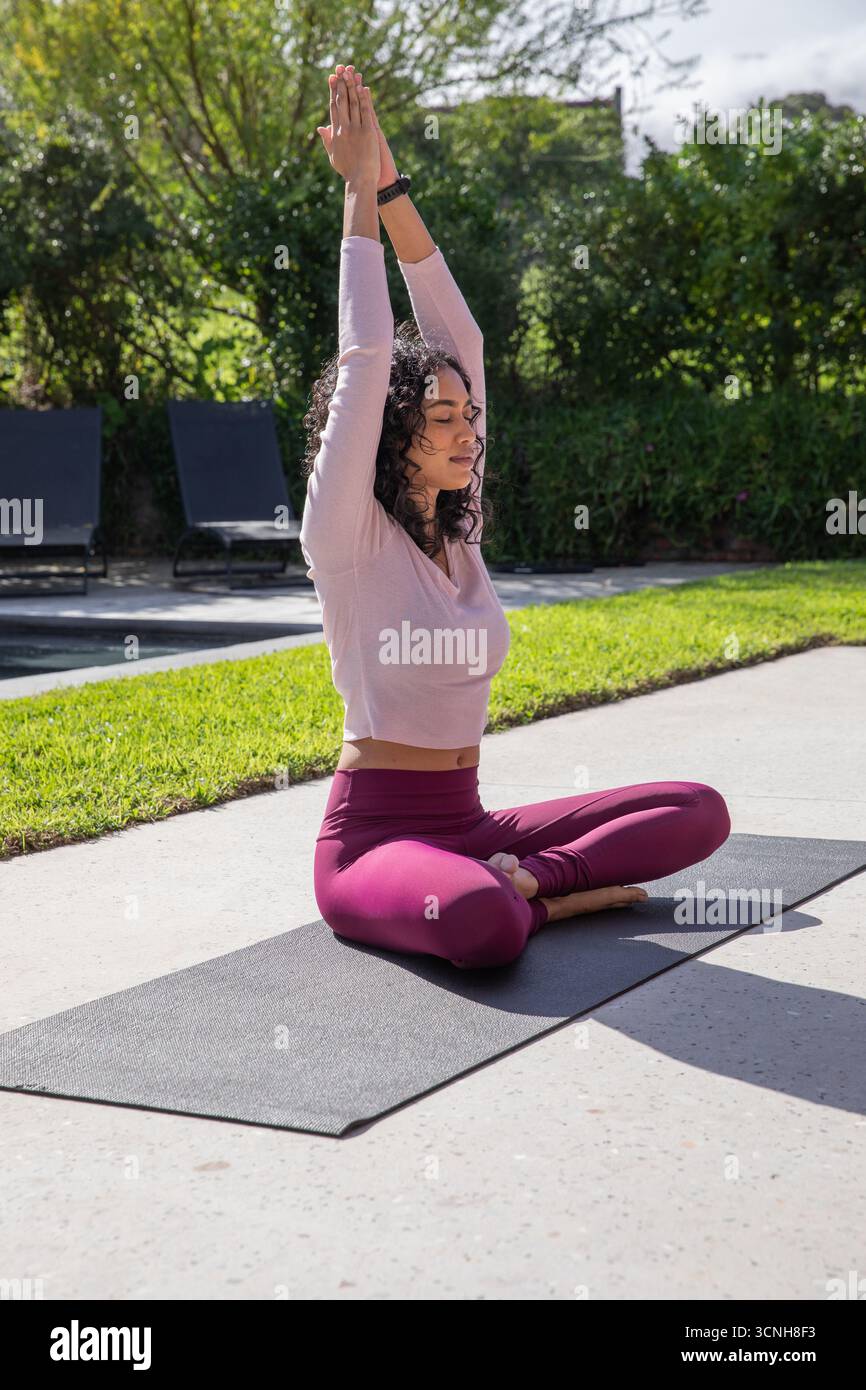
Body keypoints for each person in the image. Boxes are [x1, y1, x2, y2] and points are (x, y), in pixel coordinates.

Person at [299, 64, 731, 969]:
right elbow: (368, 352)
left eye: (471, 417)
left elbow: (463, 339)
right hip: (375, 844)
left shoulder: (460, 532)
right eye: (443, 419)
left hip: (474, 823)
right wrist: (353, 193)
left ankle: (532, 882)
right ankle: (536, 896)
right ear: (390, 434)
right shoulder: (345, 534)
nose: (466, 433)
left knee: (699, 810)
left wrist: (390, 184)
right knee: (485, 926)